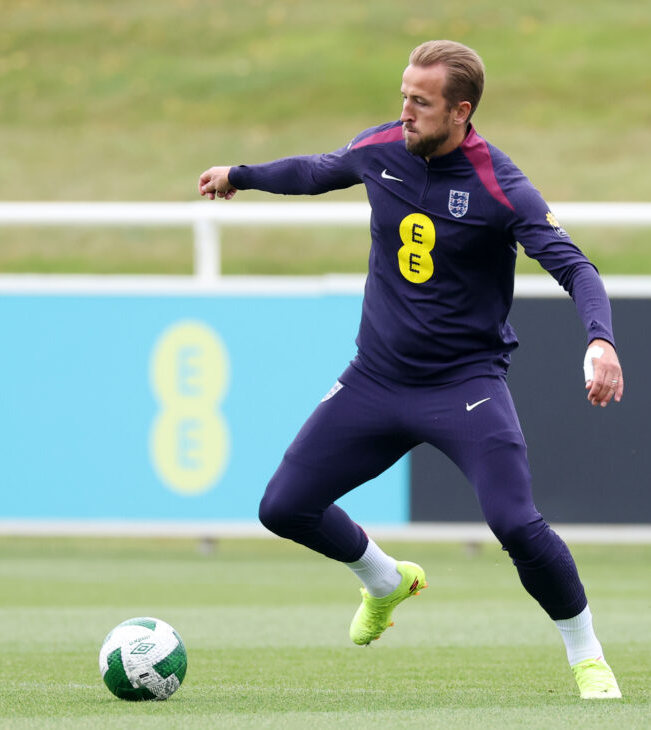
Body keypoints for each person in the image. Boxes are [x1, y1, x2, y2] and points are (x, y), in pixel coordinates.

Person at [198, 40, 624, 700]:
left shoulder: (500, 186)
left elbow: (577, 268)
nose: (405, 111)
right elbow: (316, 170)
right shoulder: (383, 148)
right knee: (283, 508)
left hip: (464, 387)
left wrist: (601, 341)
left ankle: (587, 655)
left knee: (516, 523)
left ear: (461, 111)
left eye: (420, 102)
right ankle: (384, 580)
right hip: (375, 379)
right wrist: (242, 175)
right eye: (403, 95)